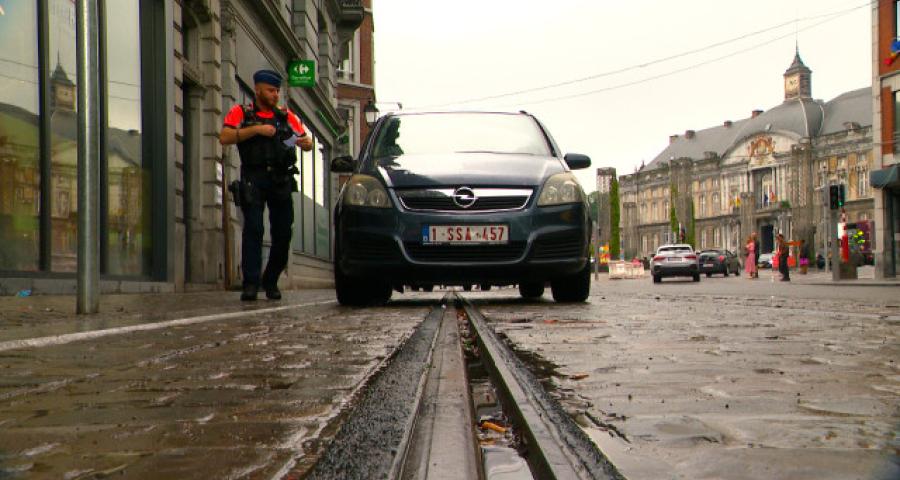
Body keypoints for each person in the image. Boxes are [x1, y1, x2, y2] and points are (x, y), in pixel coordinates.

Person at [219, 69, 314, 301]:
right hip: (254, 177)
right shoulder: (241, 112)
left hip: (280, 180)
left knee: (283, 233)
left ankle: (270, 280)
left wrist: (303, 142)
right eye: (271, 91)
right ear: (258, 89)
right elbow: (225, 137)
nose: (275, 95)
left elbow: (308, 142)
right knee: (254, 229)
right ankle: (250, 283)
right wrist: (257, 130)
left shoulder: (285, 116)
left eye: (278, 91)